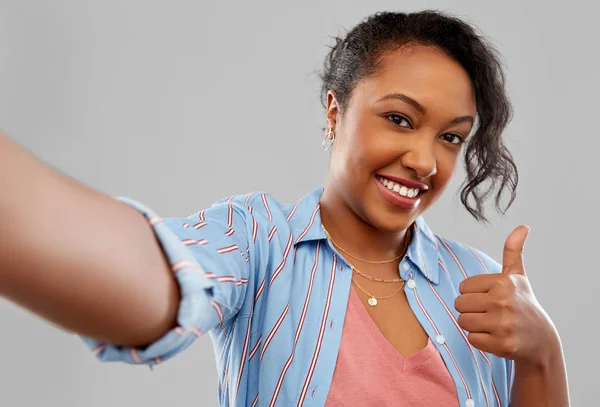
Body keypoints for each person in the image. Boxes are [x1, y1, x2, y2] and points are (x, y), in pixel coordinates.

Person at [0, 10, 569, 407]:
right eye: (399, 119)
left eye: (451, 137)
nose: (424, 159)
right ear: (334, 111)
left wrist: (543, 352)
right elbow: (155, 278)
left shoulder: (474, 281)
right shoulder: (260, 241)